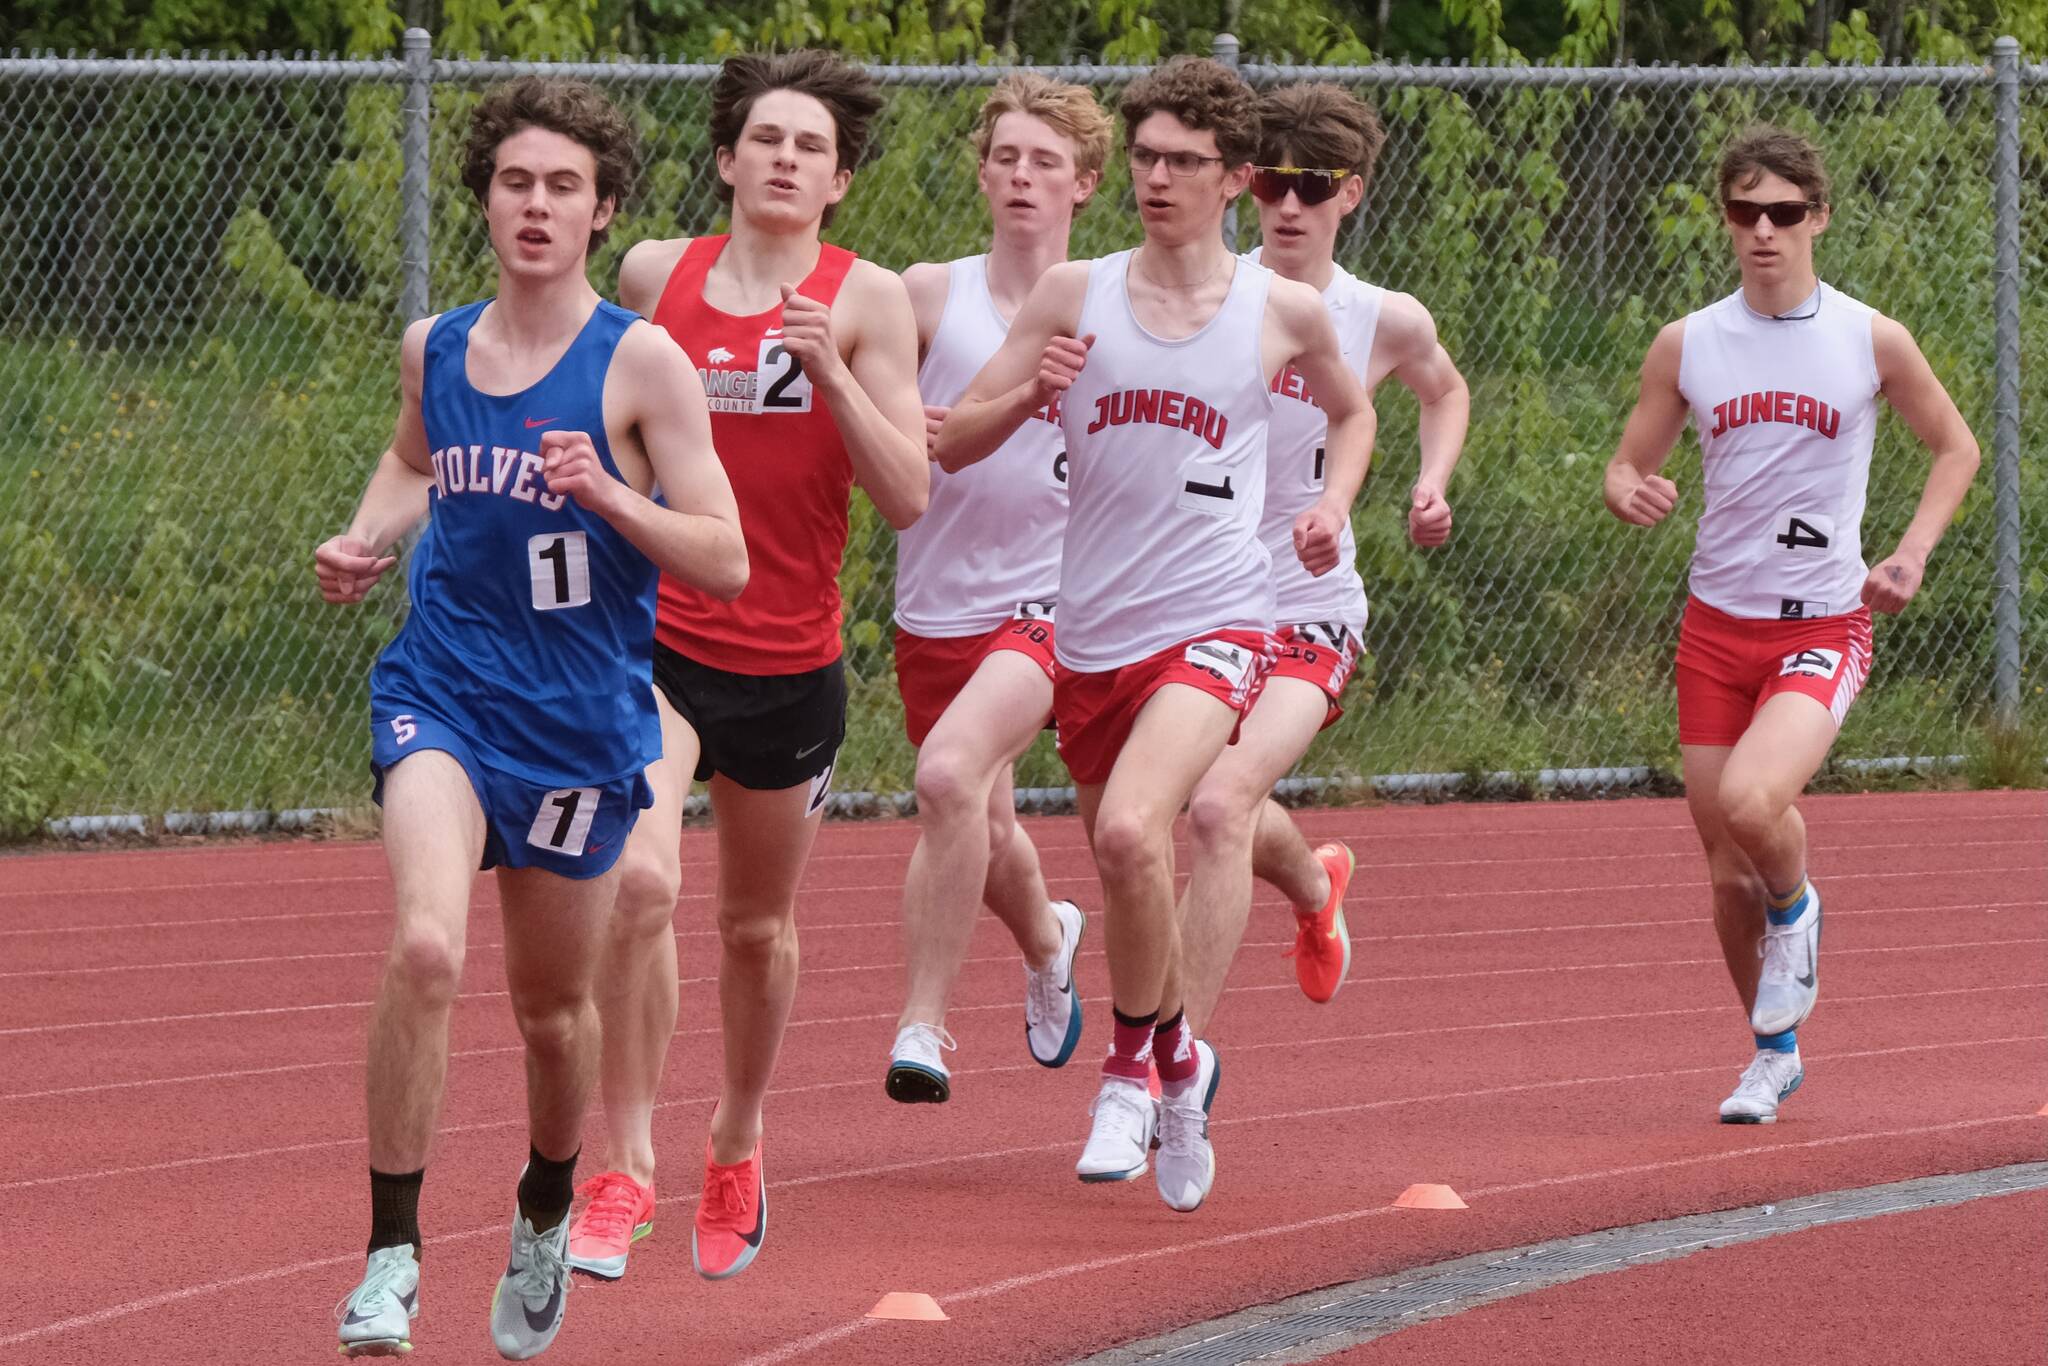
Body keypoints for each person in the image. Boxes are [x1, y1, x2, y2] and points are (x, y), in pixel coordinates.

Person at [317, 78, 746, 1360]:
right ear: (486, 201)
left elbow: (723, 556)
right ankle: (390, 1258)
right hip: (443, 692)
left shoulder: (641, 360)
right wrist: (366, 535)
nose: (538, 205)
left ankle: (547, 1206)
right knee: (426, 948)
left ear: (603, 208)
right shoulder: (435, 347)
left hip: (575, 728)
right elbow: (412, 460)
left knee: (553, 1014)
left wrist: (611, 498)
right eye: (516, 182)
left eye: (565, 186)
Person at [936, 55, 1374, 1214]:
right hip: (1091, 635)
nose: (1156, 179)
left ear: (1232, 177)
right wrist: (1027, 394)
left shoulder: (1278, 310)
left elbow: (1352, 410)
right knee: (1122, 866)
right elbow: (953, 438)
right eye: (1143, 158)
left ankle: (1128, 1071)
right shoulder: (1072, 294)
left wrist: (1331, 503)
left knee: (1137, 830)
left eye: (1183, 160)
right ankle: (1180, 1065)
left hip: (1218, 619)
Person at [564, 50, 926, 1284]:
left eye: (809, 146)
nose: (784, 158)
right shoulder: (652, 275)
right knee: (639, 881)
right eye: (765, 138)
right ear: (725, 158)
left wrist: (831, 373)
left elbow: (908, 495)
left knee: (755, 928)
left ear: (838, 181)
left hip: (788, 659)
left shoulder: (868, 299)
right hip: (652, 638)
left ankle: (736, 1136)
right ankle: (623, 1162)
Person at [1604, 126, 1978, 1125]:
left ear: (1817, 217)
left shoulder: (1869, 338)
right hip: (1713, 628)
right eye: (1744, 212)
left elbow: (1955, 447)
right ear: (1726, 221)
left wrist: (1909, 553)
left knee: (1751, 801)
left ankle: (1798, 905)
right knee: (1725, 867)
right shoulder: (1688, 343)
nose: (1762, 231)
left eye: (1782, 212)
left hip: (1821, 622)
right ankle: (1770, 1055)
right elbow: (1627, 462)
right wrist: (1626, 488)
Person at [1177, 82, 1470, 1037]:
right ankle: (1314, 883)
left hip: (1311, 605)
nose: (1289, 205)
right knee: (1200, 799)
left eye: (1312, 186)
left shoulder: (1383, 316)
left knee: (1219, 804)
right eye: (1271, 183)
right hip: (1195, 601)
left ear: (1351, 193)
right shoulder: (1204, 296)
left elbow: (1444, 391)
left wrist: (1430, 485)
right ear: (1244, 185)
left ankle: (1167, 1062)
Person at [884, 74, 1114, 1104]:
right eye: (1007, 158)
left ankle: (922, 1026)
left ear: (1084, 184)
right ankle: (1048, 937)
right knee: (984, 823)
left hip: (1055, 601)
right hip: (937, 600)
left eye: (1045, 162)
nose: (1022, 176)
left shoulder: (1114, 310)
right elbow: (874, 419)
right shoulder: (926, 296)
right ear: (982, 174)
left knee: (945, 779)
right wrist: (900, 421)